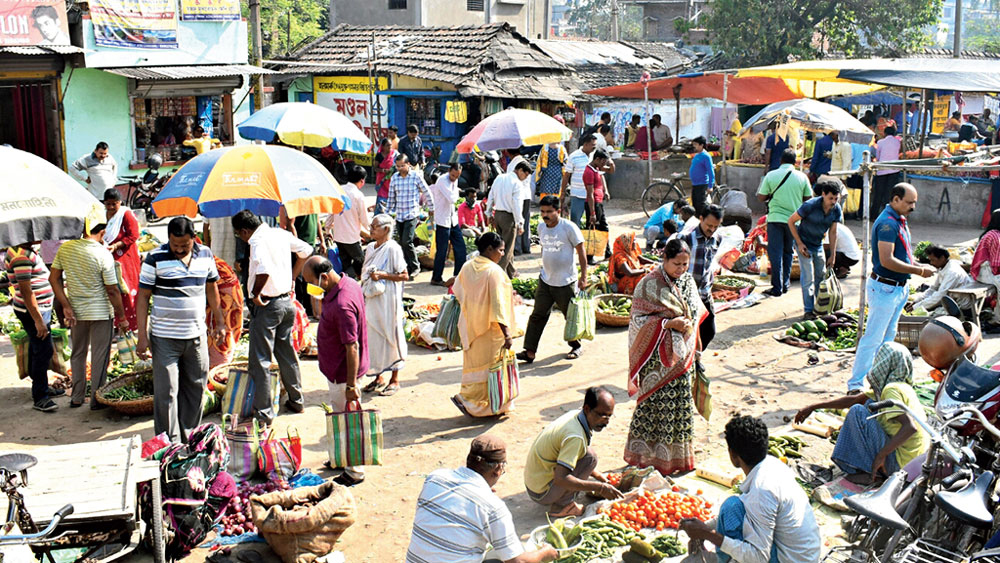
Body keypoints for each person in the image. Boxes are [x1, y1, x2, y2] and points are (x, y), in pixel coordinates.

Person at [679, 415, 821, 563]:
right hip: (807, 555)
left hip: (791, 560)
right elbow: (746, 504)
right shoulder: (773, 464)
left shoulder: (762, 490)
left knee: (730, 507)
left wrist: (708, 534)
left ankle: (726, 560)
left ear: (733, 455)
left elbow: (758, 557)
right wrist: (704, 528)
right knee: (733, 507)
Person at [136, 217, 224, 443]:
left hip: (196, 335)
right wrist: (142, 336)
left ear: (193, 239)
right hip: (165, 337)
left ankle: (189, 436)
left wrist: (220, 321)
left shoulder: (205, 254)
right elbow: (143, 297)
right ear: (169, 240)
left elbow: (212, 288)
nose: (179, 250)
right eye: (175, 246)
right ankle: (168, 443)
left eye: (184, 246)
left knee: (196, 387)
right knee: (167, 392)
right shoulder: (154, 258)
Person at [406, 435, 559, 563]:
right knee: (506, 554)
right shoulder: (493, 508)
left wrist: (481, 493)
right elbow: (518, 561)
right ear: (498, 470)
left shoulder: (435, 478)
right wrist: (545, 553)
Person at [625, 239, 706, 475]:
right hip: (657, 361)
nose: (681, 269)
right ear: (664, 260)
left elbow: (695, 315)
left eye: (685, 264)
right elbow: (637, 321)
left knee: (680, 407)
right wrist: (667, 323)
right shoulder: (648, 285)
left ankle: (676, 461)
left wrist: (697, 350)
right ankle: (646, 457)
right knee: (654, 407)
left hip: (684, 359)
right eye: (676, 264)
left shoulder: (688, 281)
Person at [798, 342, 929, 484]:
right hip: (914, 464)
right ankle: (874, 468)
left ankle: (870, 473)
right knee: (866, 405)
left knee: (857, 412)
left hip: (900, 467)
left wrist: (881, 455)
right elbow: (855, 400)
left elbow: (910, 427)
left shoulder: (891, 390)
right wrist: (813, 406)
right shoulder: (901, 386)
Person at [848, 184, 933, 391]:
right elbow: (887, 260)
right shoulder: (887, 223)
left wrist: (918, 265)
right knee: (873, 338)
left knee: (887, 338)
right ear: (895, 199)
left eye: (914, 202)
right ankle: (856, 384)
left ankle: (876, 380)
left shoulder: (899, 219)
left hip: (898, 288)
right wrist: (918, 271)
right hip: (885, 288)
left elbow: (902, 254)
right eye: (909, 202)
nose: (913, 206)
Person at [232, 210, 314, 423]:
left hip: (268, 305)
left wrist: (256, 293)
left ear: (244, 231)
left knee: (260, 360)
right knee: (286, 353)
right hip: (286, 303)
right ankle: (297, 400)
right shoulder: (280, 233)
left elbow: (264, 270)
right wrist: (293, 276)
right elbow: (306, 250)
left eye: (239, 235)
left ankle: (264, 412)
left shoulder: (257, 241)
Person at [50, 212, 129, 409]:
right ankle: (96, 400)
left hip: (76, 312)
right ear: (102, 232)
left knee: (78, 353)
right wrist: (122, 316)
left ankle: (76, 397)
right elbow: (112, 289)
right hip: (101, 313)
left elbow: (54, 279)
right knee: (100, 356)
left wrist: (66, 305)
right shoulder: (103, 253)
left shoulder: (66, 249)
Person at [303, 256, 369, 487]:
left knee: (348, 421)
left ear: (323, 278)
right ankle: (341, 458)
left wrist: (351, 385)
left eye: (310, 281)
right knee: (341, 418)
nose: (308, 286)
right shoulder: (348, 284)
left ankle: (355, 471)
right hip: (337, 371)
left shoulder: (342, 304)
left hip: (344, 374)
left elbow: (352, 346)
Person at [524, 387, 624, 517]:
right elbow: (561, 479)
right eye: (600, 415)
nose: (605, 421)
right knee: (590, 458)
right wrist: (599, 488)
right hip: (541, 493)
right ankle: (563, 505)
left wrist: (598, 476)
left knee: (589, 456)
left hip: (535, 482)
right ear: (587, 409)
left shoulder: (576, 416)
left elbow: (577, 454)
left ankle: (562, 498)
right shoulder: (575, 436)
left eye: (609, 416)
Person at [451, 233, 517, 418]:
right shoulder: (493, 272)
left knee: (474, 367)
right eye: (500, 250)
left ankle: (474, 400)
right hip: (490, 330)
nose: (502, 254)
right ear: (489, 249)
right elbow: (498, 305)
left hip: (471, 326)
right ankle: (480, 405)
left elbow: (458, 290)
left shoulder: (467, 266)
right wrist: (507, 334)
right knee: (491, 370)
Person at [517, 196, 587, 365]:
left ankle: (576, 345)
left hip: (566, 282)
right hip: (546, 280)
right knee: (537, 315)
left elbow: (581, 252)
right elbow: (545, 250)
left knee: (570, 317)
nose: (545, 215)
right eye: (542, 211)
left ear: (558, 211)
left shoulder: (569, 227)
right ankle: (530, 351)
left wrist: (583, 276)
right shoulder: (541, 228)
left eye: (549, 212)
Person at [5, 242, 61, 412]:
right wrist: (38, 320)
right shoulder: (21, 255)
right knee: (43, 351)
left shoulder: (24, 250)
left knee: (37, 349)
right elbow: (26, 290)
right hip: (33, 312)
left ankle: (41, 387)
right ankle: (40, 396)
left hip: (35, 309)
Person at [357, 214, 409, 396]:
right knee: (373, 336)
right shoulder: (370, 247)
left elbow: (404, 275)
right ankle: (378, 376)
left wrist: (382, 275)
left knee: (391, 335)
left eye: (374, 227)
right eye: (371, 226)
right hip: (372, 299)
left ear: (386, 230)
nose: (370, 229)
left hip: (388, 300)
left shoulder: (393, 248)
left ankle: (395, 379)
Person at [757, 148, 813, 297]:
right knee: (788, 252)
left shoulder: (771, 175)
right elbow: (809, 198)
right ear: (795, 162)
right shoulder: (802, 177)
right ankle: (785, 284)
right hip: (794, 221)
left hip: (775, 219)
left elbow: (761, 197)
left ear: (781, 160)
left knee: (775, 253)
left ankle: (777, 287)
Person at [787, 180, 843, 319]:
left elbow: (833, 232)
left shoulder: (836, 209)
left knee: (821, 275)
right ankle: (808, 310)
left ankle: (820, 308)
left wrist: (833, 255)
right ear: (823, 194)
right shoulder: (810, 205)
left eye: (836, 199)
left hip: (818, 244)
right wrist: (799, 243)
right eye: (831, 198)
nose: (833, 202)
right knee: (808, 277)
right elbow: (791, 221)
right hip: (804, 243)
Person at [678, 205, 723, 353]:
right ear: (701, 219)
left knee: (708, 331)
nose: (712, 229)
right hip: (686, 294)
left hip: (704, 292)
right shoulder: (685, 238)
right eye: (709, 225)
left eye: (715, 226)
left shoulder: (717, 238)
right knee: (686, 332)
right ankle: (687, 361)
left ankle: (695, 357)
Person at [102, 189, 140, 331]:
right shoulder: (101, 214)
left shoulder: (126, 215)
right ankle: (116, 323)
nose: (111, 207)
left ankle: (130, 324)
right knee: (111, 289)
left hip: (125, 257)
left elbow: (133, 235)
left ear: (120, 202)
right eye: (108, 204)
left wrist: (116, 245)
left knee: (126, 288)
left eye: (114, 204)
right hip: (107, 256)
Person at [324, 165, 370, 280]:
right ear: (362, 181)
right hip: (352, 237)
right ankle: (352, 280)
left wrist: (327, 228)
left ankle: (347, 280)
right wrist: (371, 230)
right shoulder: (358, 196)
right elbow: (364, 219)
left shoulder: (338, 190)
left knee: (345, 262)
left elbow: (331, 213)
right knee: (361, 260)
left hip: (339, 236)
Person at [387, 154, 430, 277]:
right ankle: (407, 266)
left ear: (408, 164)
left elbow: (426, 191)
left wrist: (431, 208)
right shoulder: (395, 178)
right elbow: (391, 197)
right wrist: (388, 214)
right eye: (398, 166)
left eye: (402, 166)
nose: (400, 168)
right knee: (402, 242)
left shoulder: (416, 177)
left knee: (407, 241)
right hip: (399, 215)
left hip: (412, 214)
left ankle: (415, 266)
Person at [486, 162, 530, 279]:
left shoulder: (499, 178)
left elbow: (491, 196)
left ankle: (512, 272)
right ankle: (498, 274)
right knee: (507, 248)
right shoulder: (517, 183)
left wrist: (489, 213)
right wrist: (520, 223)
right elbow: (517, 206)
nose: (524, 178)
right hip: (509, 217)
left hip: (498, 215)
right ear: (520, 170)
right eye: (525, 175)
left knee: (502, 245)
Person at [906, 245, 975, 316]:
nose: (931, 263)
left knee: (932, 317)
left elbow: (939, 296)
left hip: (962, 306)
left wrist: (916, 307)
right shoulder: (944, 267)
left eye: (933, 260)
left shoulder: (952, 272)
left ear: (942, 258)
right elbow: (933, 289)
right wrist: (916, 301)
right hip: (951, 300)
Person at [430, 164, 468, 286]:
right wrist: (457, 191)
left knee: (461, 247)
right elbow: (452, 198)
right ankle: (436, 278)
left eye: (457, 176)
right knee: (442, 250)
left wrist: (456, 189)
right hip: (442, 220)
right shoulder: (442, 180)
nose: (454, 178)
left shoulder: (454, 181)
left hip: (452, 219)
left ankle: (458, 275)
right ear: (448, 171)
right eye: (452, 175)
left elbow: (452, 198)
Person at [583, 149, 614, 263]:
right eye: (603, 162)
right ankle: (589, 256)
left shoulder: (596, 168)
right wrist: (592, 213)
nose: (603, 165)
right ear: (597, 159)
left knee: (603, 228)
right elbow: (589, 193)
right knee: (592, 230)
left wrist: (610, 161)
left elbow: (611, 170)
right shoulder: (589, 171)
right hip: (593, 203)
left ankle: (607, 252)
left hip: (598, 202)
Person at [970, 210, 1000, 323]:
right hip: (985, 272)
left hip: (986, 271)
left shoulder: (991, 233)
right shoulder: (995, 236)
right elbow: (997, 265)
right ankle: (998, 320)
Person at [561, 135, 597, 227]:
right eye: (593, 145)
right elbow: (566, 175)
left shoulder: (595, 156)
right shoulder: (574, 156)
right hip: (577, 194)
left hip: (592, 195)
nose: (594, 147)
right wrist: (563, 193)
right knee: (575, 222)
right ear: (585, 144)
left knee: (592, 221)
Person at [873, 126, 902, 216]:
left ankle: (874, 214)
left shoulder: (880, 142)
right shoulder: (898, 142)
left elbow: (877, 157)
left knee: (878, 194)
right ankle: (888, 214)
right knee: (890, 194)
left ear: (884, 133)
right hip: (894, 170)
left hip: (882, 170)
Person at [689, 136, 715, 214]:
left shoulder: (706, 156)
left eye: (696, 144)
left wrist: (710, 186)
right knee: (695, 205)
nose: (694, 146)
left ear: (701, 145)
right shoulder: (697, 155)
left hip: (702, 184)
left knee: (701, 206)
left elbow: (711, 171)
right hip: (695, 184)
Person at [373, 138, 398, 215]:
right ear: (383, 147)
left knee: (393, 197)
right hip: (382, 181)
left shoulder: (395, 154)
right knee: (381, 198)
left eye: (390, 145)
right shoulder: (379, 156)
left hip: (392, 180)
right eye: (387, 145)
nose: (389, 147)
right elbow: (375, 168)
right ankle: (379, 214)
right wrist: (383, 171)